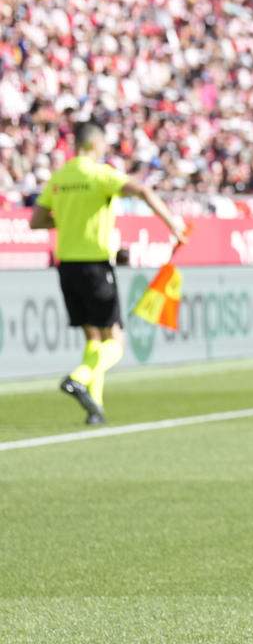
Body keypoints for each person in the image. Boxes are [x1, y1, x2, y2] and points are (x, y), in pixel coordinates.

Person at [29, 119, 188, 425]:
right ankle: (78, 377)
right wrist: (174, 226)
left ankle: (95, 407)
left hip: (67, 268)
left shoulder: (60, 177)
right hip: (95, 264)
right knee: (115, 341)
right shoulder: (98, 173)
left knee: (93, 336)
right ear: (95, 144)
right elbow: (141, 190)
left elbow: (36, 221)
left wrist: (68, 219)